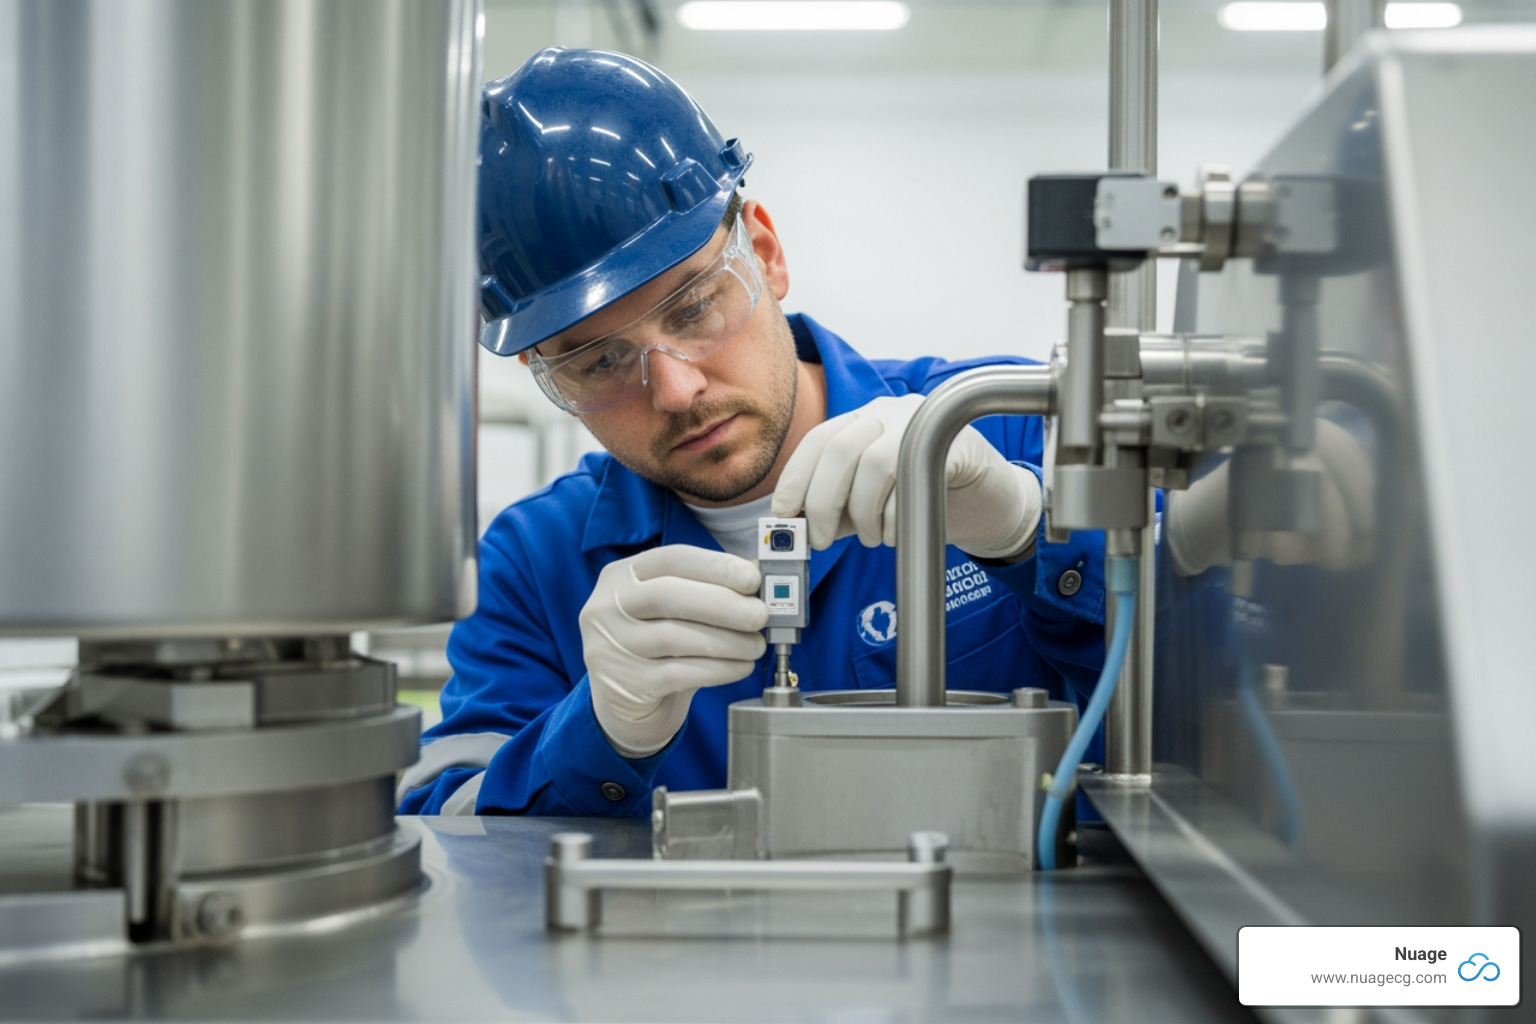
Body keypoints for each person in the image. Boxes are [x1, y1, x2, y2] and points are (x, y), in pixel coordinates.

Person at [397, 47, 1108, 816]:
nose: (676, 389)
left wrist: (1033, 533)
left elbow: (1220, 704)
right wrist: (597, 734)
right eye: (600, 361)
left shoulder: (1004, 426)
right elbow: (443, 841)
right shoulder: (533, 566)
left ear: (764, 253)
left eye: (694, 308)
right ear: (545, 372)